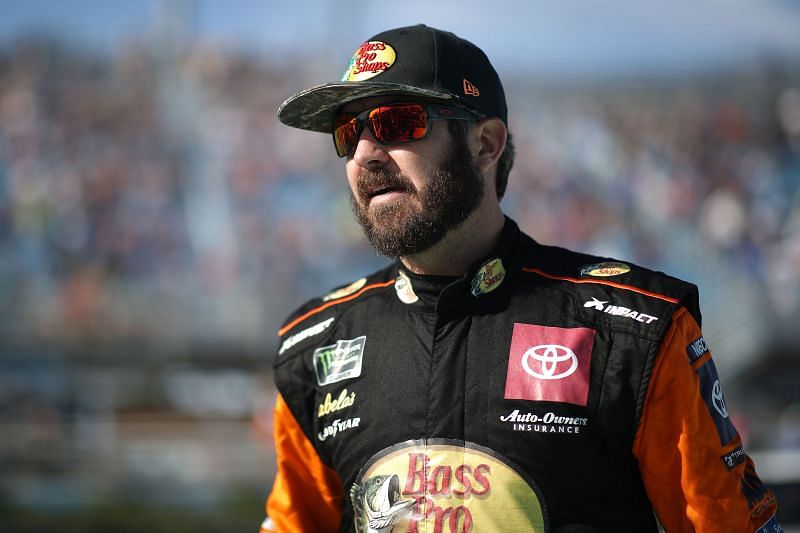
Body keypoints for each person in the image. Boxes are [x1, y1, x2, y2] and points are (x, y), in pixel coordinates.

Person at [261, 24, 781, 532]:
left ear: (486, 145)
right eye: (348, 133)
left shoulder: (635, 329)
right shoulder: (317, 345)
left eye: (398, 123)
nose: (365, 154)